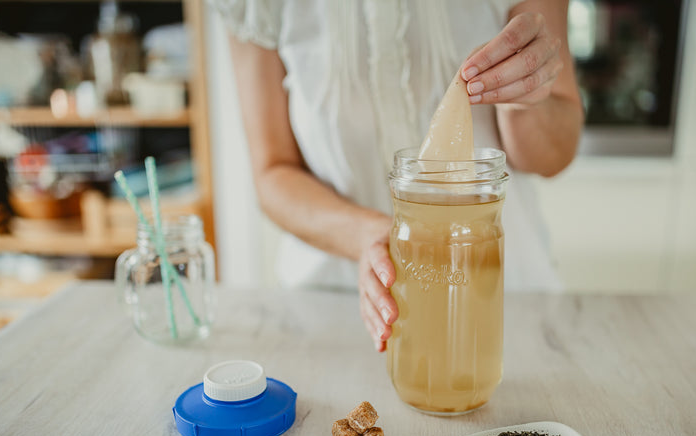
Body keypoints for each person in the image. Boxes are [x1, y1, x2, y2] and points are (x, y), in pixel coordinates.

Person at [211, 0, 583, 351]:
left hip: (503, 302)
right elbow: (272, 173)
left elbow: (553, 156)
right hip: (332, 312)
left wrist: (523, 95)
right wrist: (373, 238)